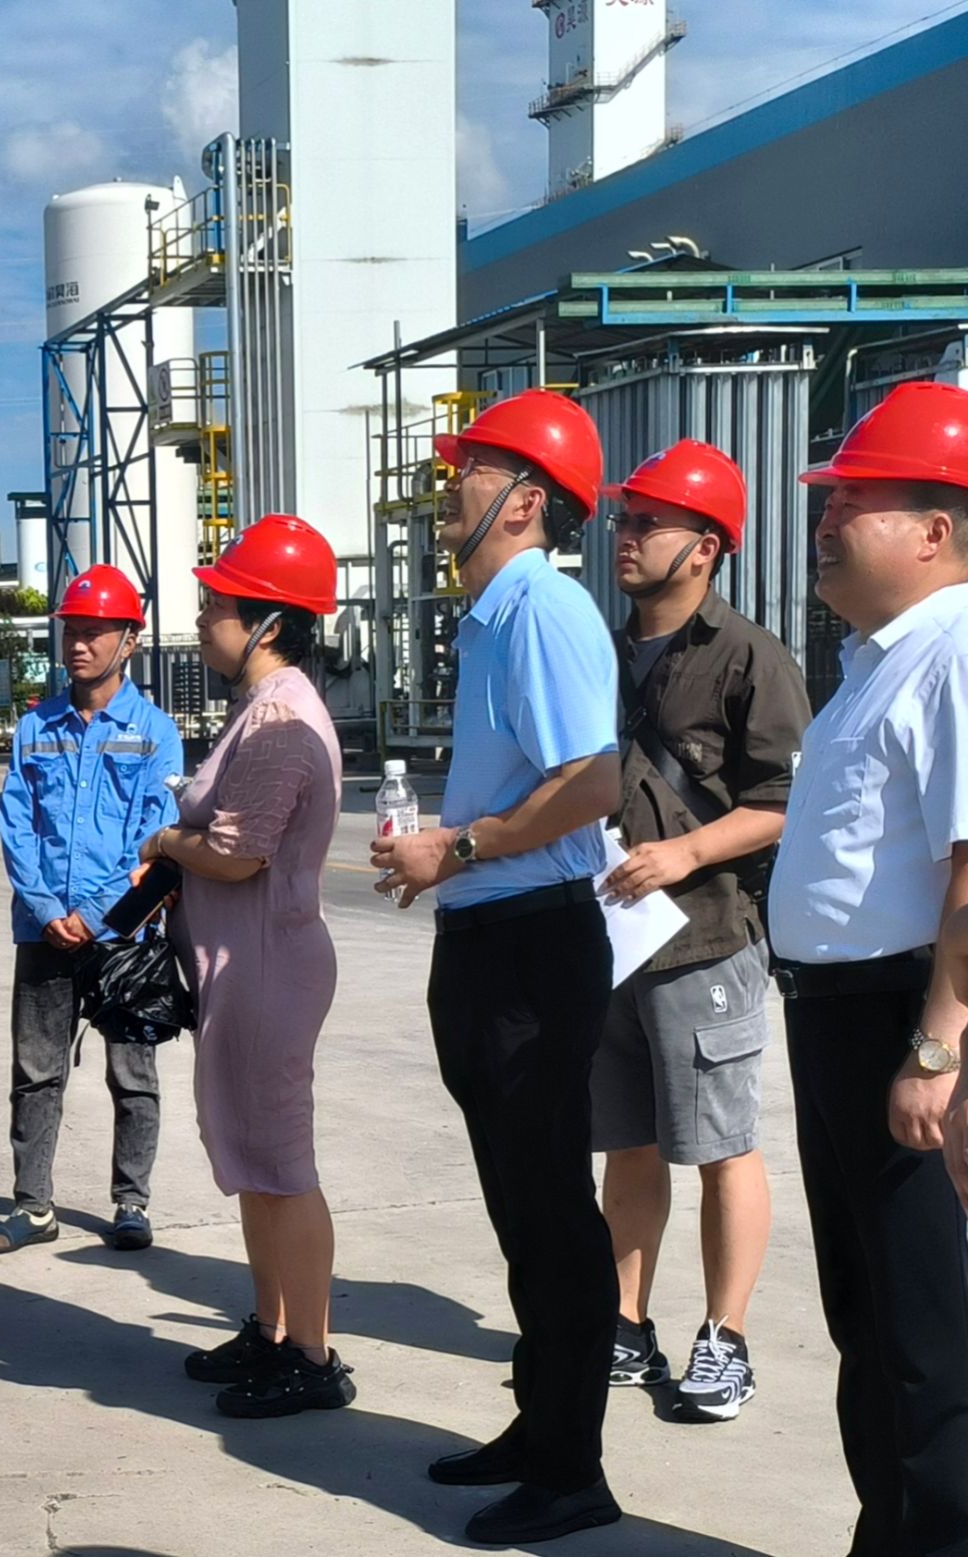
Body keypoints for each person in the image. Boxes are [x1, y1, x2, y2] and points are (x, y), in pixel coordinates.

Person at [370, 391, 624, 1545]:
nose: (447, 487)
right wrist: (441, 852)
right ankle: (539, 1423)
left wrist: (458, 846)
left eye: (468, 470)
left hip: (531, 945)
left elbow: (590, 782)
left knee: (550, 1211)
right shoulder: (491, 617)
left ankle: (572, 1469)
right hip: (491, 941)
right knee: (520, 1209)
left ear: (523, 501)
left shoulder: (541, 607)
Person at [765, 381, 968, 1556]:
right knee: (867, 1317)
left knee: (928, 1340)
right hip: (838, 1021)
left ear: (933, 529)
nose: (826, 518)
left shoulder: (952, 654)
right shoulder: (872, 661)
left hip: (905, 1019)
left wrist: (935, 1046)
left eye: (852, 500)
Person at [590, 440, 810, 1423]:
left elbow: (783, 802)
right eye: (625, 518)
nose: (626, 535)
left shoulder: (749, 656)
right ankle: (624, 1325)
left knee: (722, 1145)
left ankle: (725, 1339)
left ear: (707, 546)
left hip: (707, 938)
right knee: (626, 1144)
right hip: (612, 938)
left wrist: (683, 852)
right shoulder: (599, 649)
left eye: (649, 522)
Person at [137, 516, 353, 1419]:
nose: (202, 620)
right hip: (249, 963)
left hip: (266, 966)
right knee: (256, 1160)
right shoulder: (266, 707)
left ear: (267, 623)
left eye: (216, 604)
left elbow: (236, 852)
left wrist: (164, 842)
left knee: (280, 1163)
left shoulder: (277, 721)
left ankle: (312, 1354)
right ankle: (272, 1326)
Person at [0, 564, 182, 1256]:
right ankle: (33, 1206)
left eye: (95, 632)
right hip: (43, 929)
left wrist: (95, 915)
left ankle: (131, 1202)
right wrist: (45, 908)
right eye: (72, 630)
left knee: (133, 1073)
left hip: (125, 933)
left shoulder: (155, 732)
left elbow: (155, 833)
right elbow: (16, 824)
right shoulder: (36, 727)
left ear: (130, 640)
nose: (79, 644)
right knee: (36, 1072)